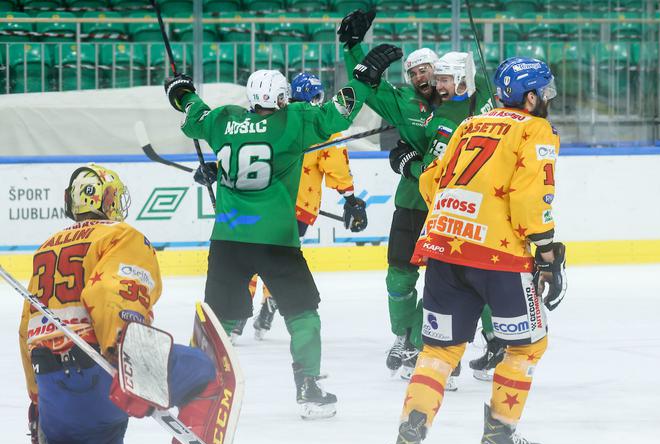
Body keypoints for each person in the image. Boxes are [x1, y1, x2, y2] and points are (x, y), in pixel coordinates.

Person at [166, 44, 402, 419]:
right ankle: (308, 387)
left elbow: (193, 112)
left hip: (228, 239)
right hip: (277, 238)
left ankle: (194, 388)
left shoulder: (222, 120)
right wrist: (363, 79)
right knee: (303, 311)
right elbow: (336, 113)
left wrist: (180, 91)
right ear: (279, 97)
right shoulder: (293, 120)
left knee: (221, 317)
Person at [9, 164, 259, 444]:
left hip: (52, 390)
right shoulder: (120, 235)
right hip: (104, 368)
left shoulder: (47, 248)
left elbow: (26, 325)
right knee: (207, 371)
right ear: (106, 199)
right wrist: (127, 358)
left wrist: (37, 399)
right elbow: (111, 290)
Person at [389, 57, 567, 444]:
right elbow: (531, 193)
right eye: (545, 92)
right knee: (527, 346)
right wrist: (545, 251)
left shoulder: (469, 125)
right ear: (530, 96)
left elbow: (431, 180)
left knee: (438, 350)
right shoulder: (535, 128)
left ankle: (411, 427)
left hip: (444, 247)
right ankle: (500, 436)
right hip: (499, 256)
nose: (548, 100)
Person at [338, 10, 495, 388]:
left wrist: (410, 162)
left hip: (457, 207)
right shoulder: (405, 103)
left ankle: (493, 338)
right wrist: (352, 48)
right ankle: (405, 337)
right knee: (400, 276)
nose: (422, 77)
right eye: (415, 73)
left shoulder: (468, 98)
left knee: (471, 274)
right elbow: (368, 84)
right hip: (412, 204)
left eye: (428, 70)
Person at [387, 50, 497, 386]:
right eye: (433, 78)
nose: (435, 83)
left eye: (442, 77)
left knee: (463, 279)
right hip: (443, 205)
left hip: (465, 206)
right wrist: (408, 161)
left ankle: (469, 346)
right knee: (436, 279)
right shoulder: (440, 113)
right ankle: (417, 341)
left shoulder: (479, 97)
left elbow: (432, 171)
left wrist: (411, 164)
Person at [244, 72, 369, 341]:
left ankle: (236, 316)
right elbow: (335, 166)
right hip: (300, 207)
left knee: (251, 256)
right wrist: (350, 199)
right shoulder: (324, 127)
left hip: (265, 201)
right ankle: (269, 301)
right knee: (278, 260)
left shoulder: (276, 120)